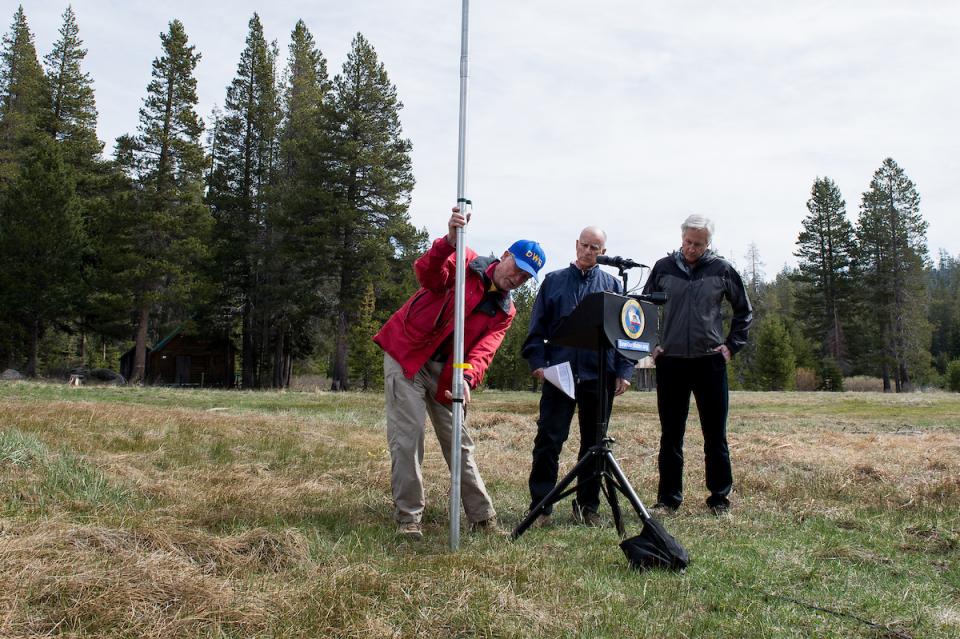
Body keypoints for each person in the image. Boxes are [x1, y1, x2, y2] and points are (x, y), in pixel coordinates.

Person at [373, 208, 546, 540]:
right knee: (408, 439)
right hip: (408, 354)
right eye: (518, 269)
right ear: (506, 256)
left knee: (459, 444)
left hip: (447, 373)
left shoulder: (506, 312)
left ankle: (483, 518)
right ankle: (409, 519)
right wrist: (448, 242)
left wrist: (466, 379)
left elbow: (484, 352)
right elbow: (428, 274)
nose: (518, 278)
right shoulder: (464, 261)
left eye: (526, 277)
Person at [522, 226, 634, 527]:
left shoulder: (613, 286)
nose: (588, 251)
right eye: (584, 245)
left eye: (595, 248)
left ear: (603, 252)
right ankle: (540, 506)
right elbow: (536, 331)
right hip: (560, 375)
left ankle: (588, 507)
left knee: (595, 444)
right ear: (575, 245)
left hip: (600, 374)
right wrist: (538, 364)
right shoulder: (554, 282)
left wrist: (624, 370)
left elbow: (625, 334)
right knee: (549, 439)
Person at [641, 214, 752, 515]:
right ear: (682, 239)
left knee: (715, 434)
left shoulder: (723, 270)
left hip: (709, 363)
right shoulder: (663, 269)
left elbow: (744, 311)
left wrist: (731, 347)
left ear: (708, 243)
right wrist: (652, 345)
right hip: (671, 362)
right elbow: (644, 310)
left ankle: (719, 499)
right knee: (671, 434)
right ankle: (668, 500)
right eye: (688, 242)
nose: (691, 248)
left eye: (698, 244)